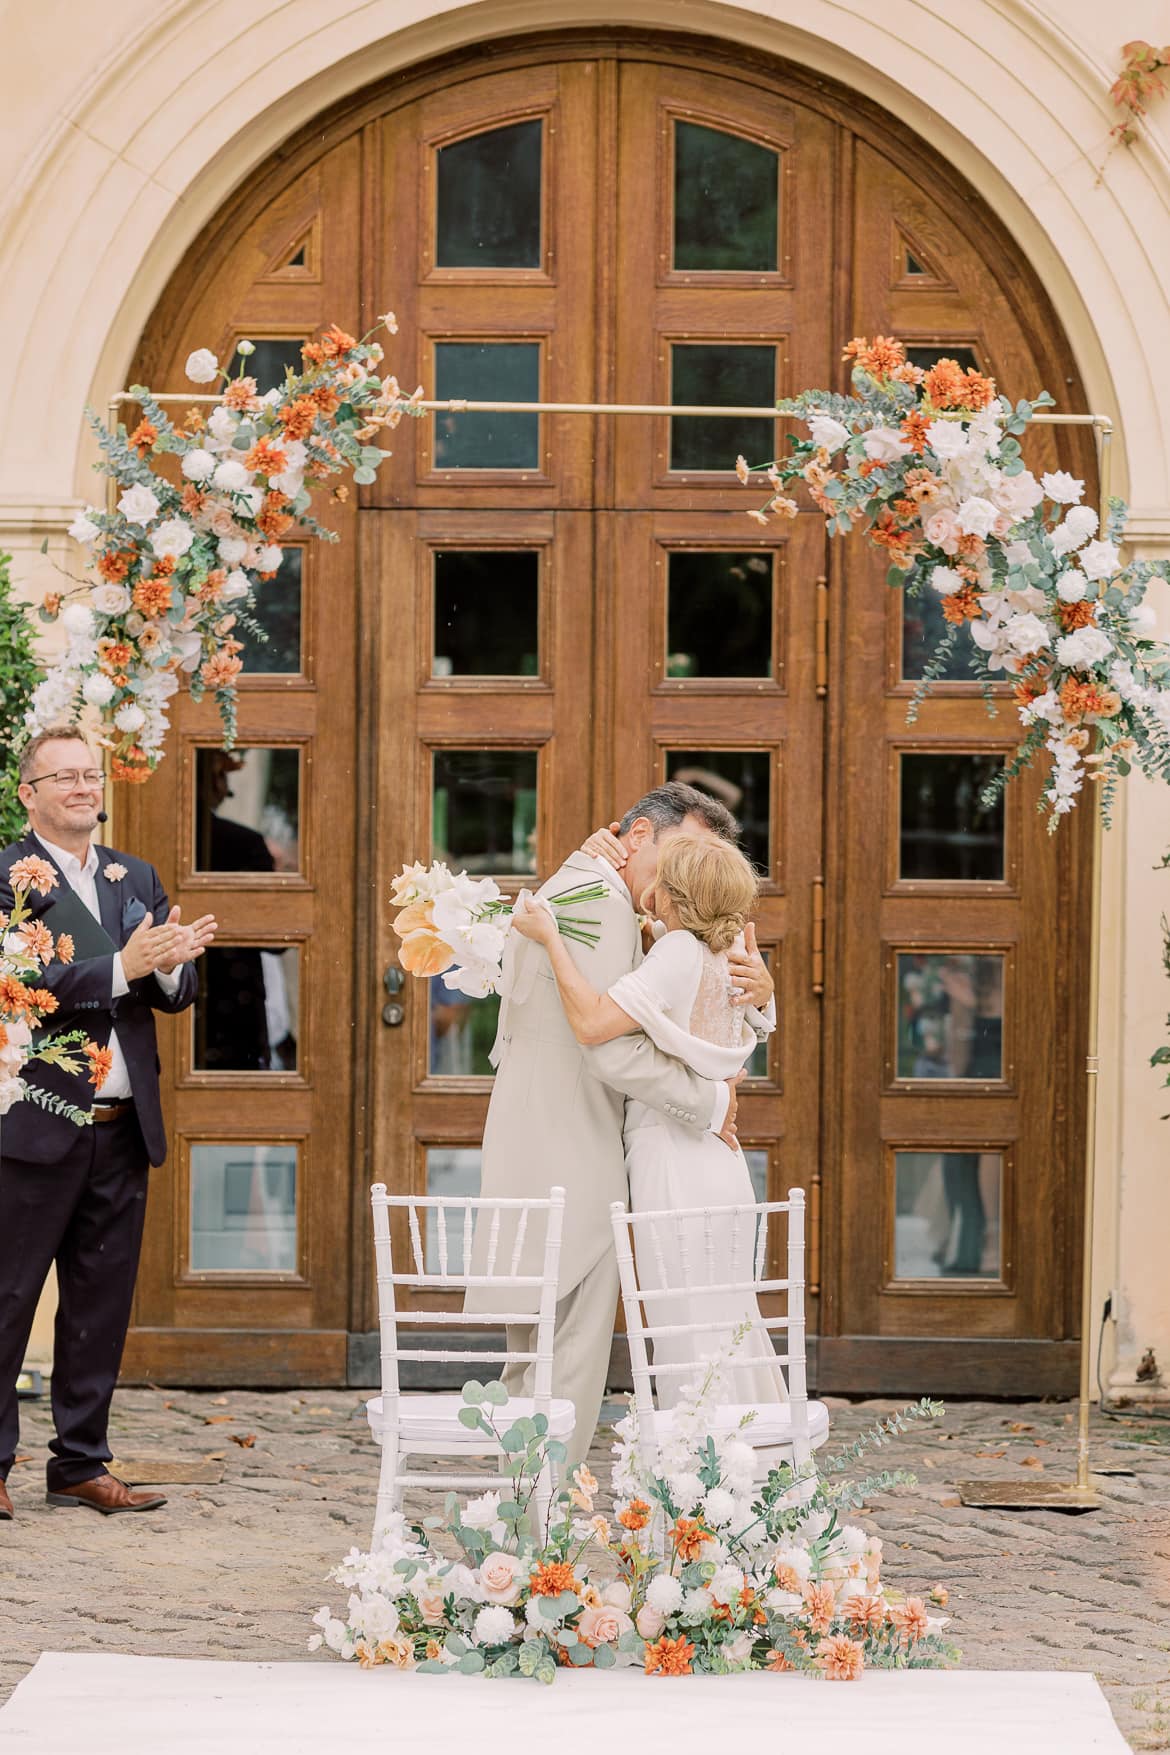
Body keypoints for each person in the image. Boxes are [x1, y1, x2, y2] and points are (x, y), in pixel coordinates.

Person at [465, 782, 774, 1467]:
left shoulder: (574, 887)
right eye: (677, 852)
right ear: (637, 837)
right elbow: (608, 1046)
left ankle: (524, 1523)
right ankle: (541, 1533)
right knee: (567, 1364)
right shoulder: (601, 905)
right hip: (578, 1149)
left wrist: (757, 993)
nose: (678, 875)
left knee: (537, 1358)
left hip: (536, 1140)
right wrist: (714, 1102)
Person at [0, 725, 217, 1520]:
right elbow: (23, 983)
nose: (83, 788)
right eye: (64, 777)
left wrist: (168, 964)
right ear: (29, 794)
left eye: (90, 775)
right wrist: (123, 964)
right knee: (8, 1297)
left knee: (100, 1302)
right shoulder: (5, 878)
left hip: (122, 1125)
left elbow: (172, 994)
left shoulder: (137, 875)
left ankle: (80, 1463)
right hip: (34, 1123)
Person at [512, 830, 783, 1408]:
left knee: (679, 1325)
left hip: (672, 1158)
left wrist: (551, 937)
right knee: (724, 1320)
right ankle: (735, 1475)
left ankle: (698, 1482)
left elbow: (591, 1025)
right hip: (721, 1166)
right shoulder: (724, 951)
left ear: (674, 893)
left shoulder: (678, 953)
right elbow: (747, 1017)